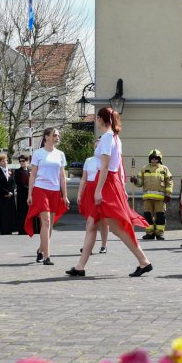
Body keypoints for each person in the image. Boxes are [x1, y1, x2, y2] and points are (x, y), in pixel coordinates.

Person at [66, 108, 152, 277]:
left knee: (116, 228)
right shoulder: (114, 137)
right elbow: (116, 166)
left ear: (99, 119)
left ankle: (144, 261)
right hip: (110, 182)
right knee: (92, 225)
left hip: (105, 184)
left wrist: (98, 190)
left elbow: (105, 167)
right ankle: (80, 266)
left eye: (97, 118)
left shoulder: (106, 138)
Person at [25, 128, 70, 265]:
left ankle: (40, 250)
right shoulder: (38, 153)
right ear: (46, 137)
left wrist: (65, 196)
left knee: (50, 225)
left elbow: (62, 176)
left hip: (55, 191)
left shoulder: (60, 154)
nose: (57, 137)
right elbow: (32, 175)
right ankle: (47, 257)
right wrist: (30, 194)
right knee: (46, 221)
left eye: (58, 135)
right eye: (54, 135)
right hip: (40, 190)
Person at [130, 149, 173, 240]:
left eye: (156, 158)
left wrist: (168, 194)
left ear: (159, 159)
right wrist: (135, 180)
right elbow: (140, 182)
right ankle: (149, 233)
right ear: (150, 159)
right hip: (147, 198)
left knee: (160, 216)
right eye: (152, 158)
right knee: (147, 216)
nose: (154, 160)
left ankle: (159, 234)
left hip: (160, 199)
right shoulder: (144, 168)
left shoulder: (164, 169)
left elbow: (169, 182)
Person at [77, 154, 110, 253]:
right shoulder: (89, 160)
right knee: (90, 220)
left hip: (101, 190)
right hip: (89, 190)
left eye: (99, 145)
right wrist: (79, 194)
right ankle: (88, 246)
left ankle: (104, 245)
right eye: (95, 146)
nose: (97, 148)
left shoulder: (107, 159)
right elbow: (83, 179)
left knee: (103, 220)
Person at [0, 153, 17, 235]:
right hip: (2, 195)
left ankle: (10, 229)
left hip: (10, 195)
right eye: (2, 161)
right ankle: (3, 229)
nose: (5, 162)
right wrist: (6, 192)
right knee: (3, 213)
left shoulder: (11, 171)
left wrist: (11, 192)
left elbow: (14, 183)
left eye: (6, 160)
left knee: (10, 212)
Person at [14, 155, 31, 235]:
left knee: (30, 212)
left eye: (23, 161)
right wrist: (29, 189)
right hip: (22, 195)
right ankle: (22, 230)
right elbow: (19, 184)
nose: (22, 162)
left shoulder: (30, 171)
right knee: (22, 212)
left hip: (30, 195)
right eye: (20, 161)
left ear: (27, 161)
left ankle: (31, 229)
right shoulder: (17, 171)